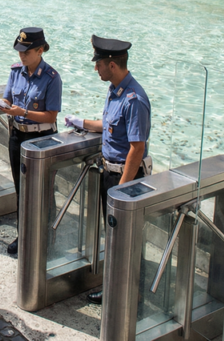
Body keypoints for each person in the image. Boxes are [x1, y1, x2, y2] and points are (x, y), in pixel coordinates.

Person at [63, 35, 151, 304]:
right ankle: (115, 288)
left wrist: (122, 190)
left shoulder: (134, 99)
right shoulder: (115, 91)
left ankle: (132, 295)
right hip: (110, 173)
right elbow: (111, 126)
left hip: (127, 177)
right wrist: (83, 123)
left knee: (128, 238)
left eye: (98, 63)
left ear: (112, 65)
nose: (95, 68)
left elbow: (137, 148)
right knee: (113, 235)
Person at [0, 28, 61, 255]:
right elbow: (7, 96)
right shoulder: (16, 72)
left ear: (40, 50)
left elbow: (51, 115)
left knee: (44, 190)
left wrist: (22, 110)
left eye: (26, 52)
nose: (21, 56)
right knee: (21, 188)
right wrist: (4, 105)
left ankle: (47, 237)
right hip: (17, 135)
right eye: (19, 52)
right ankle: (23, 234)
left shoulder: (51, 78)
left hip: (41, 138)